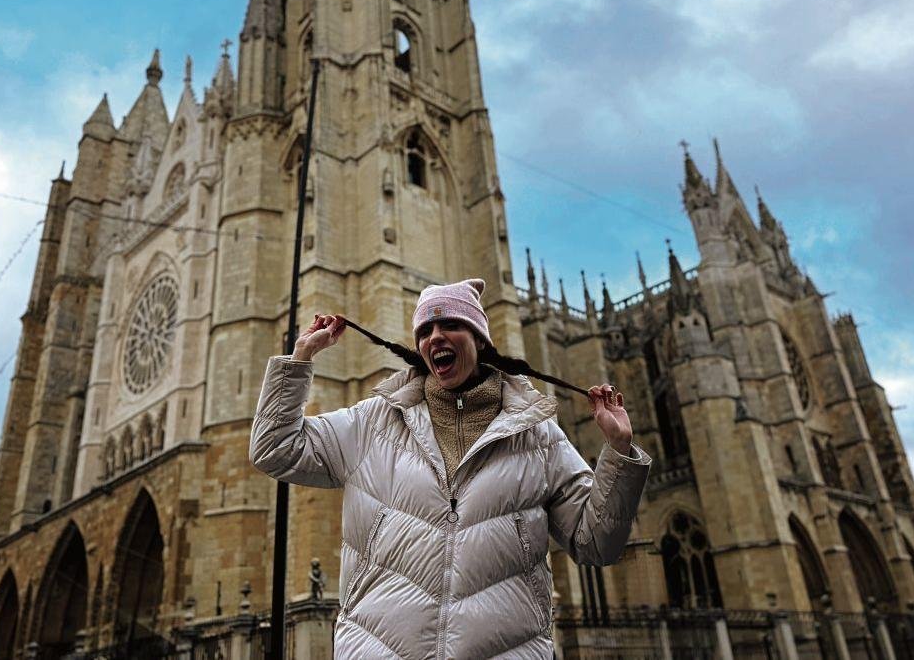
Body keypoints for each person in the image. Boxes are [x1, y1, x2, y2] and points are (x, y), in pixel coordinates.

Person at [251, 278, 650, 659]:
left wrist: (619, 451)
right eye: (425, 330)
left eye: (452, 324)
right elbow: (274, 448)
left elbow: (598, 543)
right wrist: (299, 360)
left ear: (480, 339)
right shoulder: (374, 422)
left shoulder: (537, 435)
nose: (435, 336)